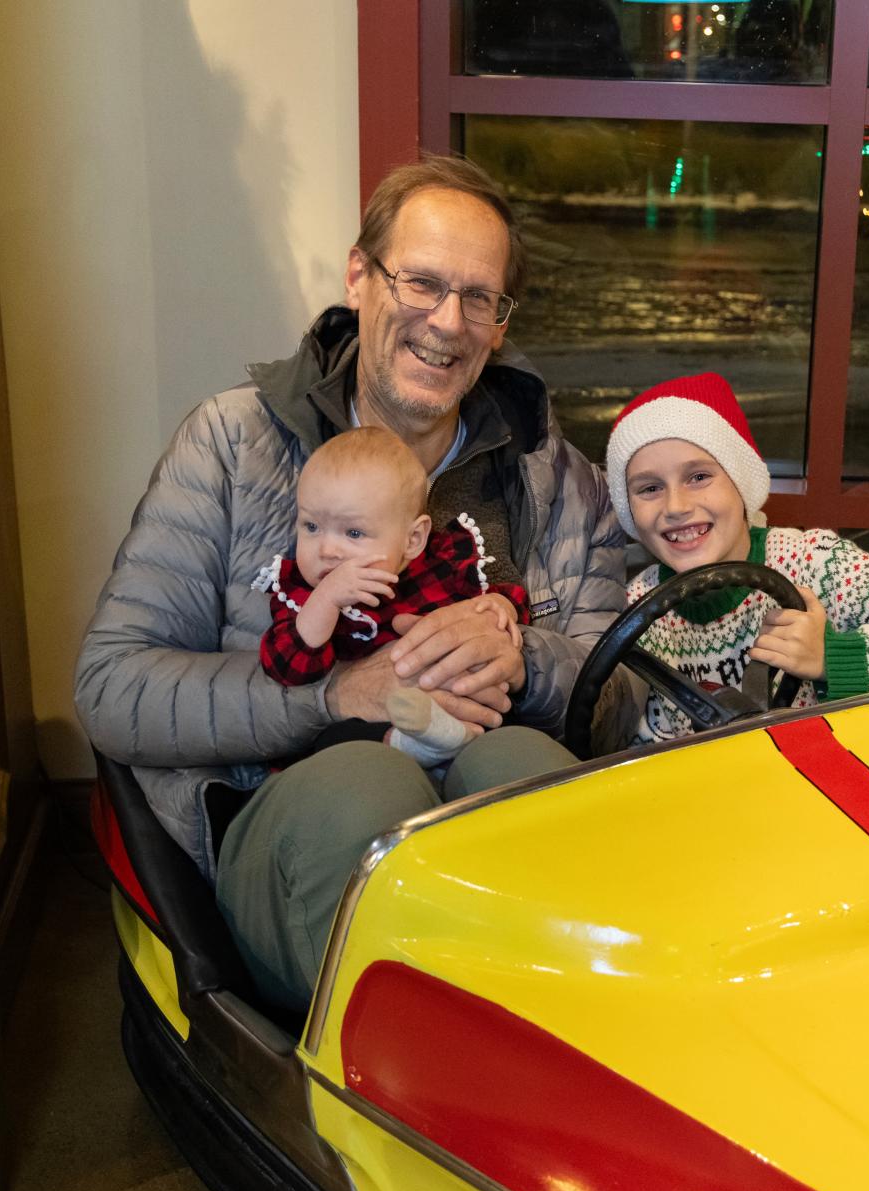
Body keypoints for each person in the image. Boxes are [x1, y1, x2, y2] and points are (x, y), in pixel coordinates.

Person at [75, 155, 625, 1010]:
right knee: (366, 791)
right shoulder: (232, 445)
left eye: (479, 298)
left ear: (500, 323)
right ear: (360, 277)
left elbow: (617, 698)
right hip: (295, 817)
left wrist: (525, 661)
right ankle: (398, 1091)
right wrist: (335, 696)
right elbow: (113, 689)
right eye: (422, 283)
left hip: (480, 793)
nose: (448, 322)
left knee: (524, 770)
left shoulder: (550, 473)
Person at [605, 372, 869, 744]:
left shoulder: (816, 563)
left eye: (699, 477)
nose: (676, 505)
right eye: (649, 488)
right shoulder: (631, 611)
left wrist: (832, 659)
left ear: (741, 483)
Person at [256, 425, 530, 766]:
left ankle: (452, 739)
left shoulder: (439, 568)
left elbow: (508, 600)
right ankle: (414, 744)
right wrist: (326, 599)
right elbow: (288, 666)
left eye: (353, 532)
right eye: (311, 526)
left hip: (462, 708)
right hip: (370, 735)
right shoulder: (303, 592)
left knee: (509, 721)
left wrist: (499, 608)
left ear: (413, 540)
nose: (326, 549)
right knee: (331, 741)